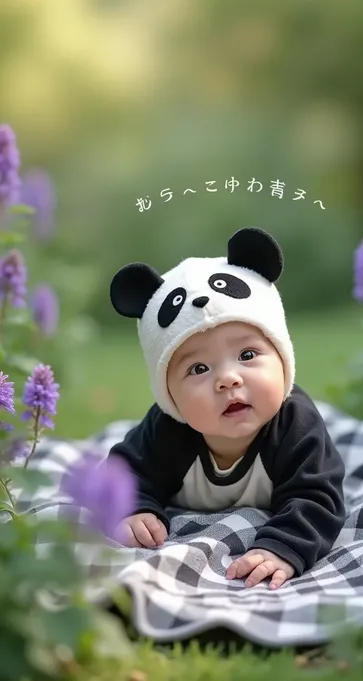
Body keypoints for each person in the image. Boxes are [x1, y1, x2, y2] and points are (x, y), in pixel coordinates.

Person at [107, 226, 346, 589]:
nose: (228, 379)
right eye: (198, 369)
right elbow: (122, 474)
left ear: (283, 361)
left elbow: (317, 496)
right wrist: (134, 508)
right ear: (169, 394)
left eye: (248, 355)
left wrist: (283, 546)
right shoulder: (168, 429)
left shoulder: (296, 425)